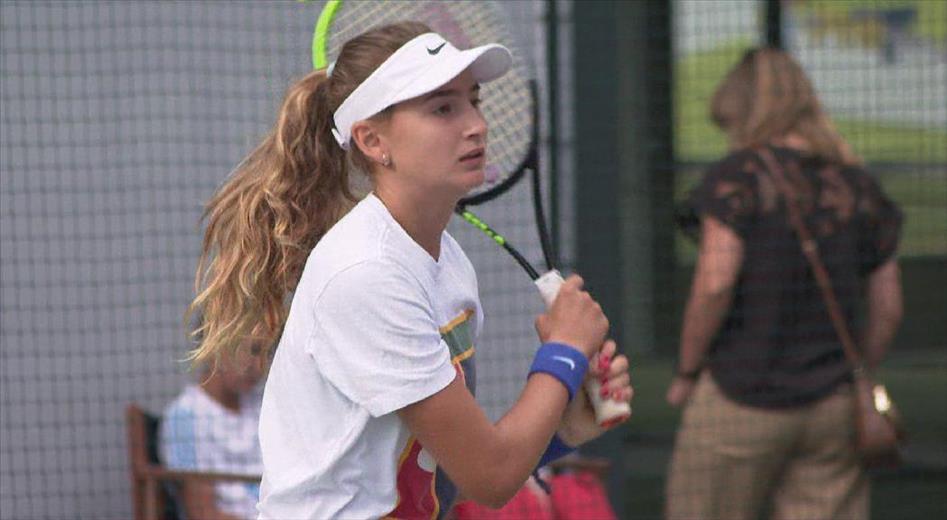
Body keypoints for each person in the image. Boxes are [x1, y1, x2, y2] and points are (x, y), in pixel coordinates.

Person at [186, 22, 633, 519]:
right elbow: (490, 476)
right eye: (443, 108)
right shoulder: (367, 273)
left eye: (473, 101)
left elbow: (448, 473)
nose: (476, 124)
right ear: (373, 141)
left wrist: (567, 428)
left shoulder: (445, 262)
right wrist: (565, 354)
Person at [665, 47, 903, 520]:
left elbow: (715, 283)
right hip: (834, 405)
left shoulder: (738, 179)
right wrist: (854, 372)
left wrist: (688, 372)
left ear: (742, 113)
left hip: (739, 397)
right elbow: (889, 306)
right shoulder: (856, 185)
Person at [160, 343, 266, 520]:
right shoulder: (184, 417)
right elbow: (202, 514)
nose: (261, 364)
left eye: (268, 353)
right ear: (214, 344)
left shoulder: (265, 407)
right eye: (254, 350)